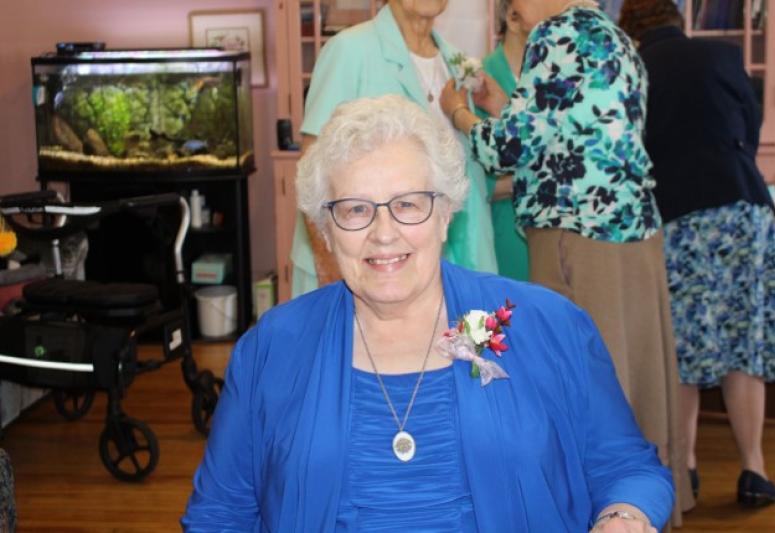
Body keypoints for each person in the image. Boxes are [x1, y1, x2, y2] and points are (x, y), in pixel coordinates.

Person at [182, 94, 674, 532]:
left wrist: (622, 516)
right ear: (325, 232)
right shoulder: (274, 347)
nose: (383, 233)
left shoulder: (545, 325)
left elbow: (627, 466)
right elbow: (219, 514)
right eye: (355, 210)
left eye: (408, 204)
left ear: (445, 214)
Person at [439, 0, 693, 523]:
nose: (514, 8)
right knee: (634, 375)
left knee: (584, 379)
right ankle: (638, 509)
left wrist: (459, 112)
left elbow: (507, 150)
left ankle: (597, 511)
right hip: (632, 236)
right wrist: (500, 103)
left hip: (578, 237)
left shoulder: (555, 35)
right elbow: (568, 130)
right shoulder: (614, 38)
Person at [618, 0, 775, 507]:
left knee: (684, 349)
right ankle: (754, 470)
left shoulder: (632, 71)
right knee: (744, 343)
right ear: (678, 22)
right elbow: (750, 129)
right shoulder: (723, 56)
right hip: (742, 207)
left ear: (631, 33)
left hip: (677, 218)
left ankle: (687, 467)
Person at [290, 0, 497, 298]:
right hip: (360, 264)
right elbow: (313, 169)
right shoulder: (350, 50)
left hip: (446, 266)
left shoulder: (455, 61)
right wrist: (332, 272)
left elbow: (468, 180)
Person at [477, 0, 530, 281]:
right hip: (502, 233)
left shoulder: (553, 79)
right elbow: (470, 176)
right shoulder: (480, 82)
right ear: (512, 16)